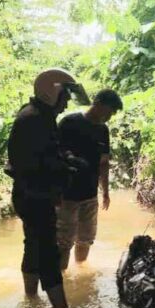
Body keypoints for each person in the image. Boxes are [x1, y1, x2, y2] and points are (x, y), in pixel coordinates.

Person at [5, 68, 90, 308]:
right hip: (35, 198)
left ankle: (30, 301)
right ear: (53, 92)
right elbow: (39, 164)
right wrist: (67, 169)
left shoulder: (36, 115)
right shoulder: (36, 120)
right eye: (65, 97)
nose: (66, 104)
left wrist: (67, 159)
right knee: (48, 254)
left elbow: (49, 153)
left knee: (33, 246)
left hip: (29, 195)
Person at [56, 89, 123, 270]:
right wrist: (70, 157)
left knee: (85, 239)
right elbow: (56, 152)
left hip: (90, 195)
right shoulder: (69, 122)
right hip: (67, 195)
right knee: (63, 242)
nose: (110, 116)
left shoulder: (103, 130)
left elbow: (104, 163)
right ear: (98, 103)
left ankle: (80, 274)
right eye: (109, 111)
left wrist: (106, 193)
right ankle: (62, 280)